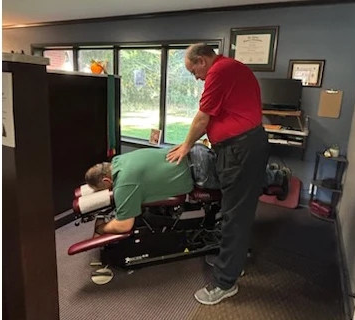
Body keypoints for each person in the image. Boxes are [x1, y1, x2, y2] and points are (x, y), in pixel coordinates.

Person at [166, 43, 269, 305]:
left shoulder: (219, 72)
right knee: (235, 210)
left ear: (201, 60)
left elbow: (202, 118)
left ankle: (225, 282)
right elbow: (216, 117)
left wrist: (187, 145)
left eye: (193, 71)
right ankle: (232, 261)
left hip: (240, 151)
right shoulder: (232, 68)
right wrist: (189, 142)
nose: (196, 77)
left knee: (235, 215)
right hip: (240, 147)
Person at [83, 145, 289, 236]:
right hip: (195, 153)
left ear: (107, 179)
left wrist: (102, 227)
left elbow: (123, 225)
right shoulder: (120, 160)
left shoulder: (124, 183)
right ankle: (272, 173)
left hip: (200, 172)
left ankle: (279, 178)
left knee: (244, 182)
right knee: (240, 171)